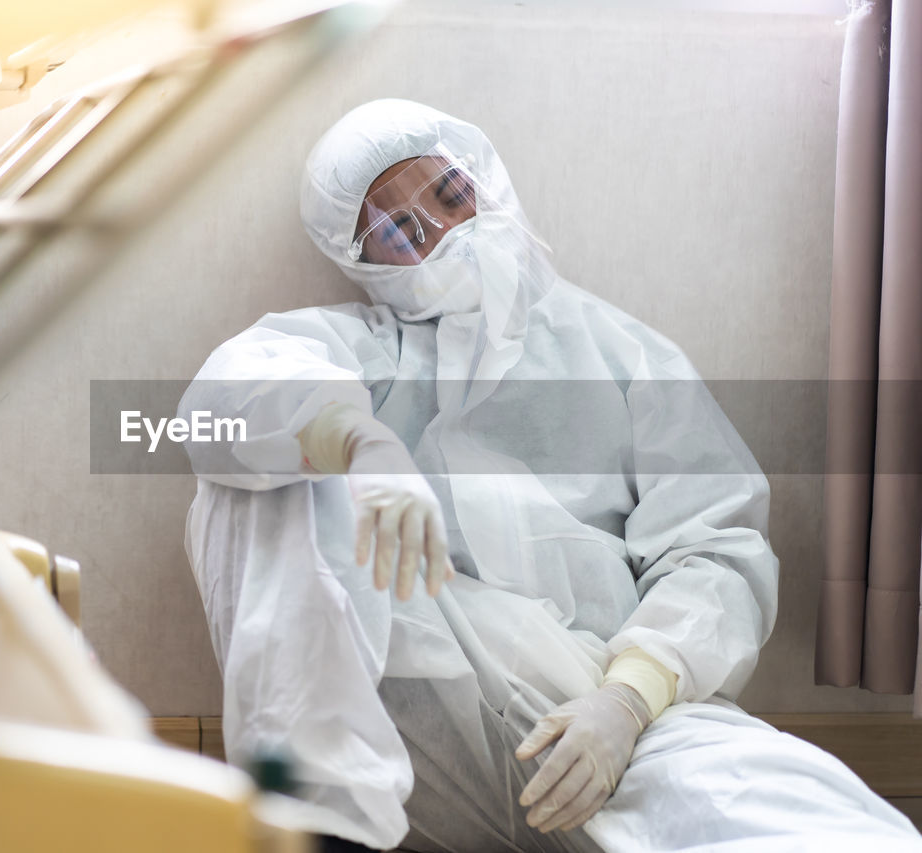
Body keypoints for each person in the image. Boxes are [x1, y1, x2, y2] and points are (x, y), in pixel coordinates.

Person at [178, 100, 922, 852]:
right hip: (415, 717)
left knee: (818, 823)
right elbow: (214, 412)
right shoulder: (356, 352)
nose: (447, 234)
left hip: (597, 707)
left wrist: (628, 700)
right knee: (261, 476)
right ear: (364, 264)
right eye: (402, 232)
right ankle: (317, 820)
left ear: (485, 178)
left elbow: (717, 548)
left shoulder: (624, 354)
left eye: (450, 194)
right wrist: (355, 437)